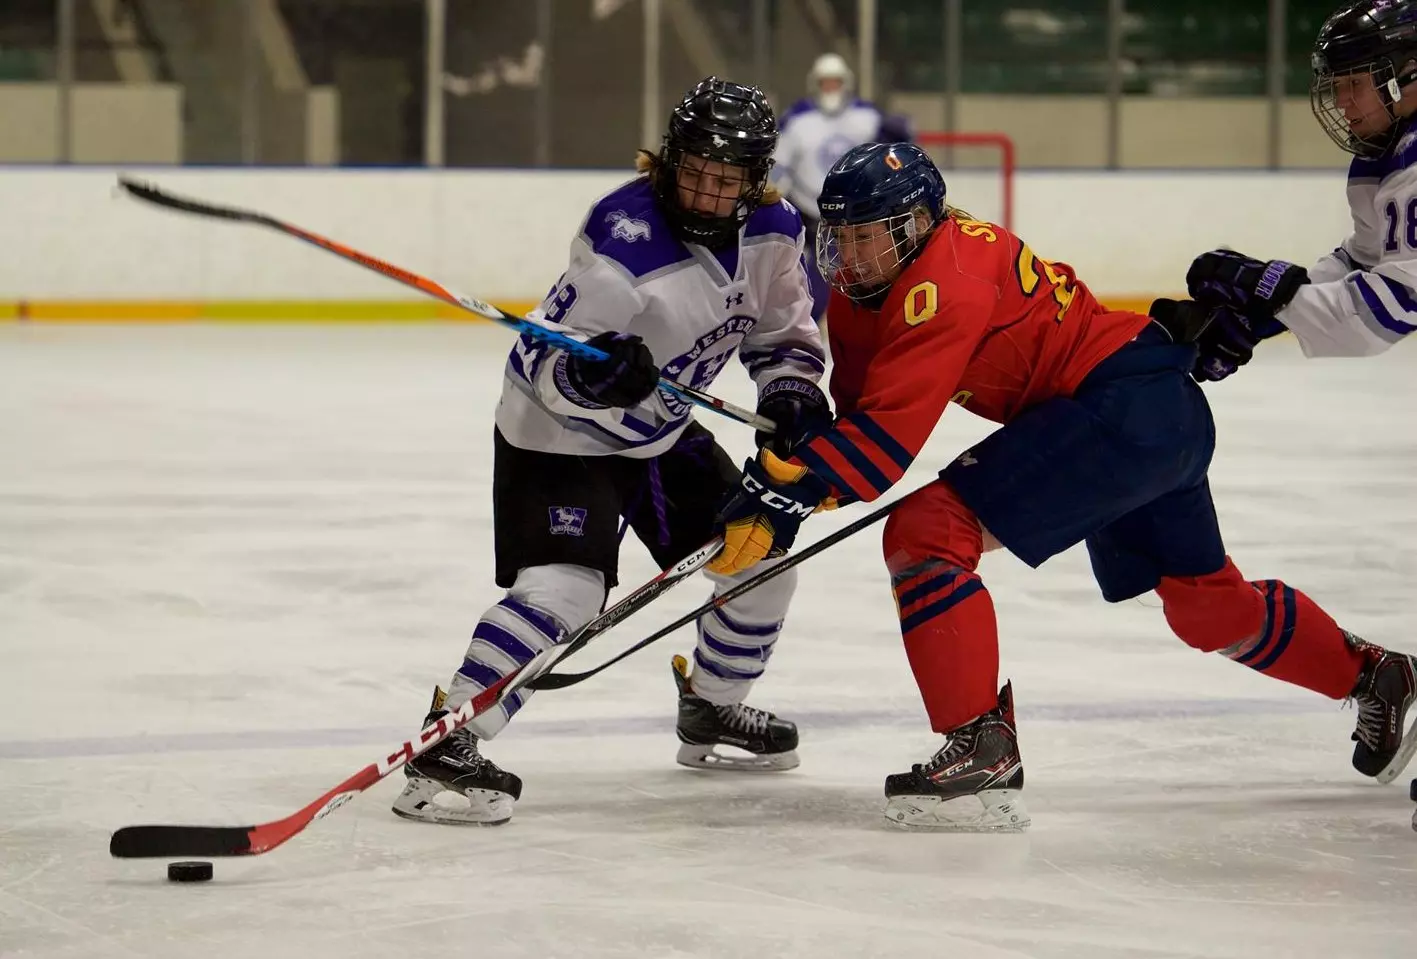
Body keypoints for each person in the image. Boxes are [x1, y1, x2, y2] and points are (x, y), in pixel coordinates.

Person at [707, 141, 1417, 832]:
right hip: (1140, 407)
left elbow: (885, 443)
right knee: (1206, 608)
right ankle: (1375, 676)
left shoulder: (946, 277)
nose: (852, 255)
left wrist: (785, 492)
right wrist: (797, 449)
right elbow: (861, 416)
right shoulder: (874, 288)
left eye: (869, 236)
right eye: (841, 237)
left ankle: (978, 743)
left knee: (927, 532)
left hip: (1122, 409)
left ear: (919, 223)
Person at [392, 78, 829, 825]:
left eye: (725, 180)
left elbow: (782, 333)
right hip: (559, 435)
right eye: (691, 169)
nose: (703, 190)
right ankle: (451, 739)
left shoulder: (776, 231)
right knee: (566, 590)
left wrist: (789, 390)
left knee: (760, 560)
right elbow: (538, 363)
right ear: (668, 158)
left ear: (755, 180)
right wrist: (591, 373)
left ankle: (712, 709)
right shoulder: (623, 235)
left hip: (660, 432)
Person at [1186, 0, 1417, 379]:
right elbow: (1366, 259)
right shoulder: (1383, 156)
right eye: (1338, 85)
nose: (1341, 102)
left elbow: (1392, 308)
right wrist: (1265, 315)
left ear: (1407, 74)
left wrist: (1271, 291)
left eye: (1354, 83)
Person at [773, 53, 914, 321]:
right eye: (825, 82)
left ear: (845, 83)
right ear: (815, 83)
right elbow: (779, 164)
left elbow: (891, 152)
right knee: (802, 273)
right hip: (806, 207)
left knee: (847, 271)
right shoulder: (796, 119)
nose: (830, 88)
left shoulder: (867, 115)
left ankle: (840, 321)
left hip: (853, 212)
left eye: (835, 82)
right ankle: (808, 324)